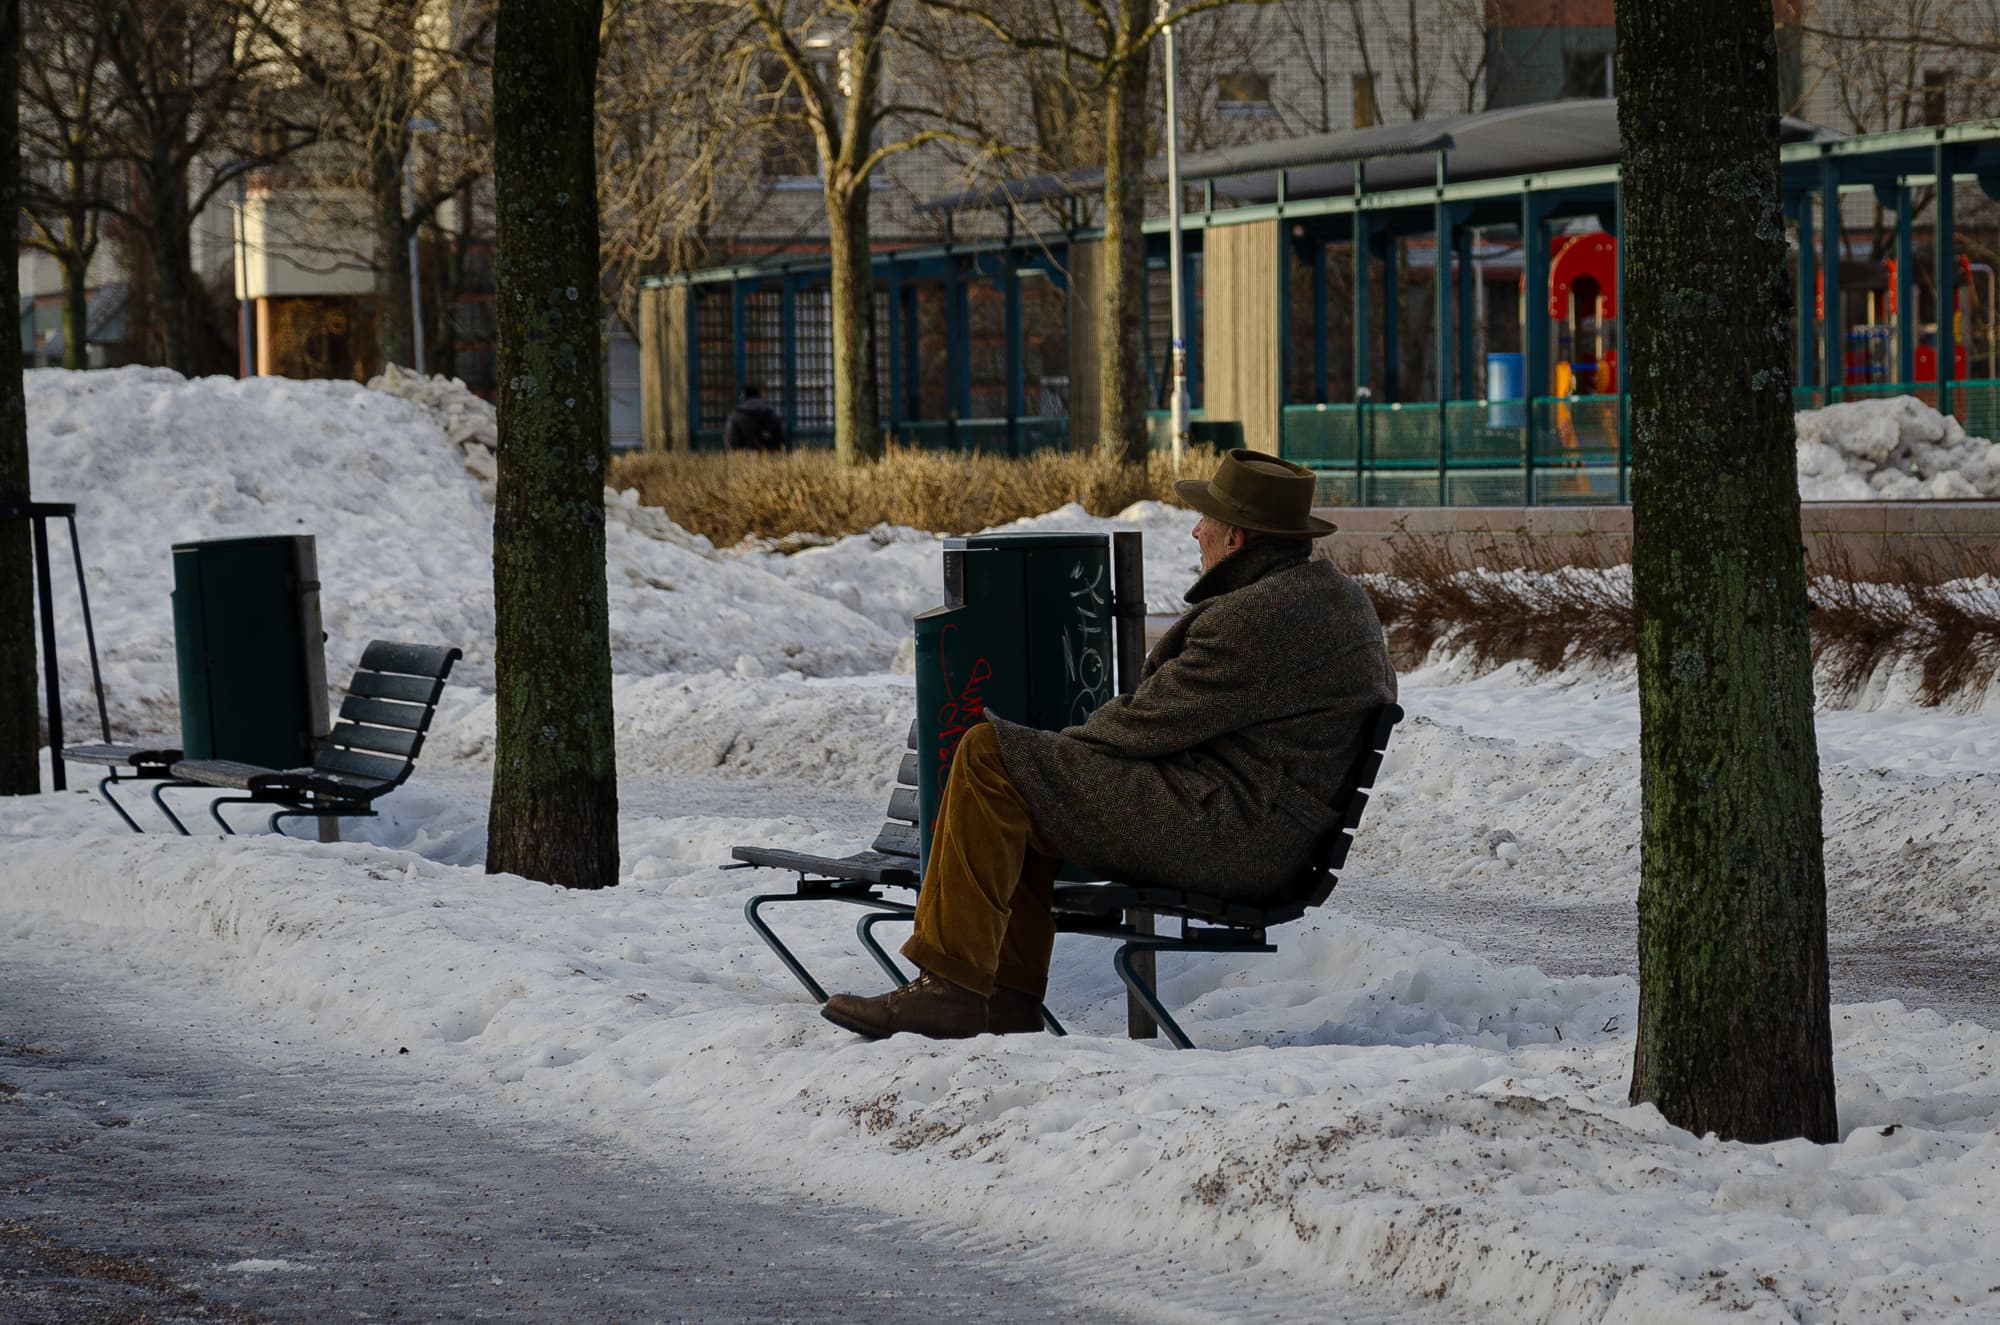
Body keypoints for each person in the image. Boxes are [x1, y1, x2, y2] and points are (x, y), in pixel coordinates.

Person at [821, 449, 1398, 1040]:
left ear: (1237, 537)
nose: (1195, 530)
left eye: (1206, 520)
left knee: (990, 755)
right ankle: (1003, 1000)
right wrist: (1051, 767)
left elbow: (1145, 723)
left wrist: (1051, 757)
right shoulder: (1333, 600)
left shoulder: (1258, 617)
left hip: (1231, 834)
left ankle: (953, 990)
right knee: (1022, 783)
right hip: (1261, 829)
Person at [724, 384, 788, 451]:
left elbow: (731, 440)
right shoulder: (769, 410)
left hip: (743, 454)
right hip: (768, 451)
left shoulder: (736, 414)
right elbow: (779, 434)